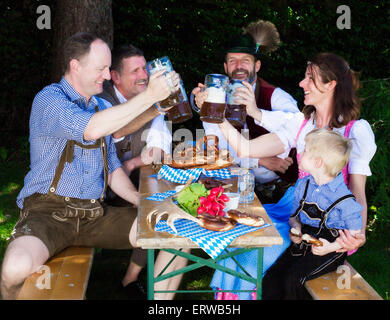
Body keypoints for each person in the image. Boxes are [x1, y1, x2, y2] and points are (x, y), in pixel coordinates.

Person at [0, 32, 185, 300]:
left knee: (177, 233)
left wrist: (140, 200)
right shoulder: (49, 99)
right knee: (14, 269)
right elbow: (89, 128)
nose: (107, 76)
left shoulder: (101, 105)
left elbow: (111, 168)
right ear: (76, 66)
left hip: (93, 215)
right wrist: (151, 98)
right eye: (100, 69)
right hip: (48, 213)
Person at [211, 52, 376, 299]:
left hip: (325, 222)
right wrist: (213, 113)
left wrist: (358, 236)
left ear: (330, 85)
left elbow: (357, 193)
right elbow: (246, 149)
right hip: (293, 206)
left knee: (255, 255)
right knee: (238, 243)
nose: (301, 83)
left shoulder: (354, 131)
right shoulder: (301, 123)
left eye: (310, 78)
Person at [192, 20, 300, 203]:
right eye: (232, 61)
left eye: (245, 60)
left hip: (276, 192)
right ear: (226, 67)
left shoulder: (276, 96)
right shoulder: (216, 97)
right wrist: (260, 160)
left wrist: (257, 112)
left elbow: (299, 127)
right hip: (230, 184)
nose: (239, 66)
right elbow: (216, 149)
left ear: (257, 66)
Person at [97, 44, 173, 296]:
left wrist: (131, 164)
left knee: (154, 202)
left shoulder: (153, 100)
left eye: (145, 68)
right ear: (116, 77)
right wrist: (155, 106)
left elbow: (158, 149)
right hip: (94, 186)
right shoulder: (100, 99)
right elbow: (114, 130)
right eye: (135, 70)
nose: (144, 75)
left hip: (126, 181)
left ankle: (129, 280)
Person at [262, 129, 363, 299]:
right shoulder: (303, 185)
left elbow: (354, 235)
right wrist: (295, 229)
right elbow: (294, 216)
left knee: (294, 280)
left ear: (318, 163)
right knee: (273, 276)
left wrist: (330, 247)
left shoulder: (344, 200)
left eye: (306, 150)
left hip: (330, 249)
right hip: (305, 240)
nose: (300, 153)